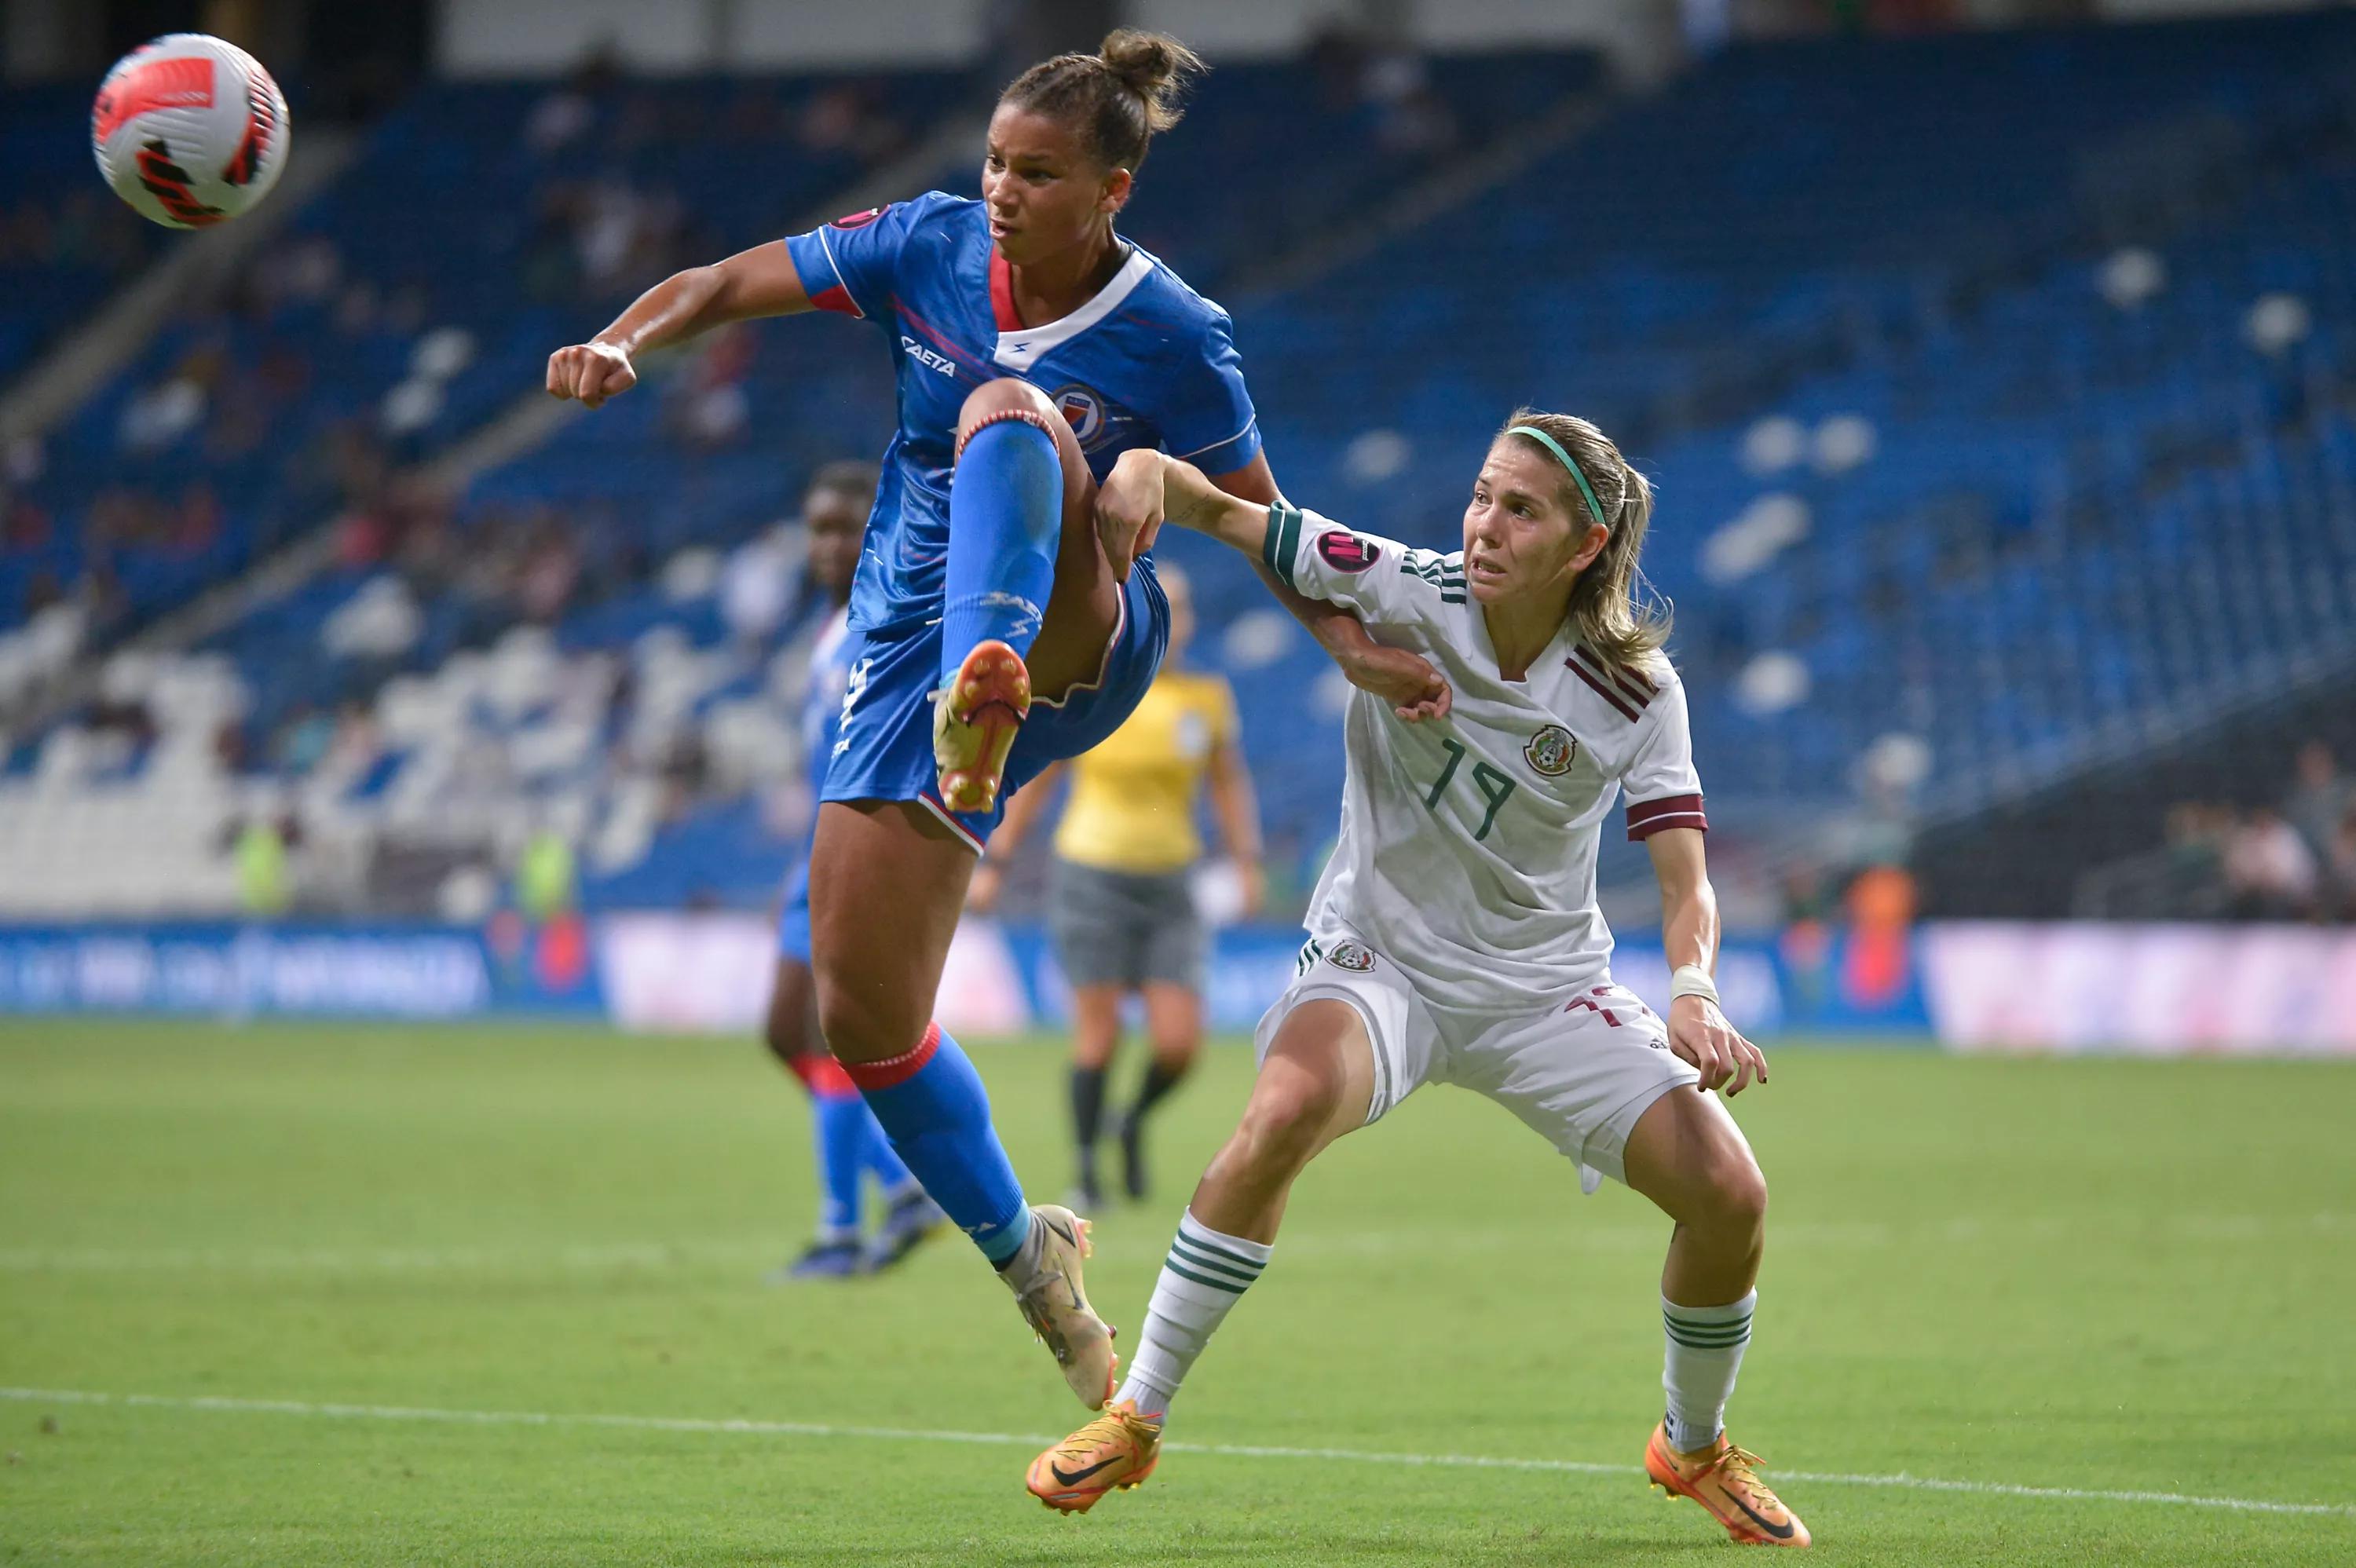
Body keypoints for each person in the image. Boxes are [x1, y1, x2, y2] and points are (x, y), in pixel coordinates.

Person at [546, 31, 1447, 1411]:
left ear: (1114, 191)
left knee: (1011, 410)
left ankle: (990, 682)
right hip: (900, 639)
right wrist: (622, 341)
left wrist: (1347, 646)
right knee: (864, 1013)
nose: (1004, 191)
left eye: (1037, 172)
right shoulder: (927, 246)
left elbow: (1263, 517)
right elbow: (729, 280)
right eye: (994, 163)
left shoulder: (1176, 333)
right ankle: (1035, 1259)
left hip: (1080, 633)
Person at [1026, 411, 1812, 1548]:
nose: (1485, 525)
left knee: (1731, 1193)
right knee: (1283, 1109)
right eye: (1483, 494)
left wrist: (1694, 986)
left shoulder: (1637, 690)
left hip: (1543, 990)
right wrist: (1145, 469)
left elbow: (1686, 881)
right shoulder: (1400, 586)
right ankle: (1134, 1414)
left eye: (1521, 509)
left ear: (1583, 547)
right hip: (1377, 959)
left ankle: (1692, 1445)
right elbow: (1227, 513)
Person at [968, 561, 1261, 1210]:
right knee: (1098, 1036)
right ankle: (1084, 1168)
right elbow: (1039, 779)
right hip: (1091, 872)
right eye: (1168, 607)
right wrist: (996, 860)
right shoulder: (1100, 685)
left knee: (1180, 1044)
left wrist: (1247, 860)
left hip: (1172, 881)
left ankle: (1129, 1121)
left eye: (1185, 610)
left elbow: (1228, 782)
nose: (1176, 621)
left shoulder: (1206, 699)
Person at [761, 462, 946, 1280]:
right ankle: (906, 1185)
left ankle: (841, 1231)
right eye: (818, 527)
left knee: (820, 1033)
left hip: (859, 854)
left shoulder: (888, 621)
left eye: (845, 526)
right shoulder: (829, 630)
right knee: (782, 1032)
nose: (828, 543)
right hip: (816, 854)